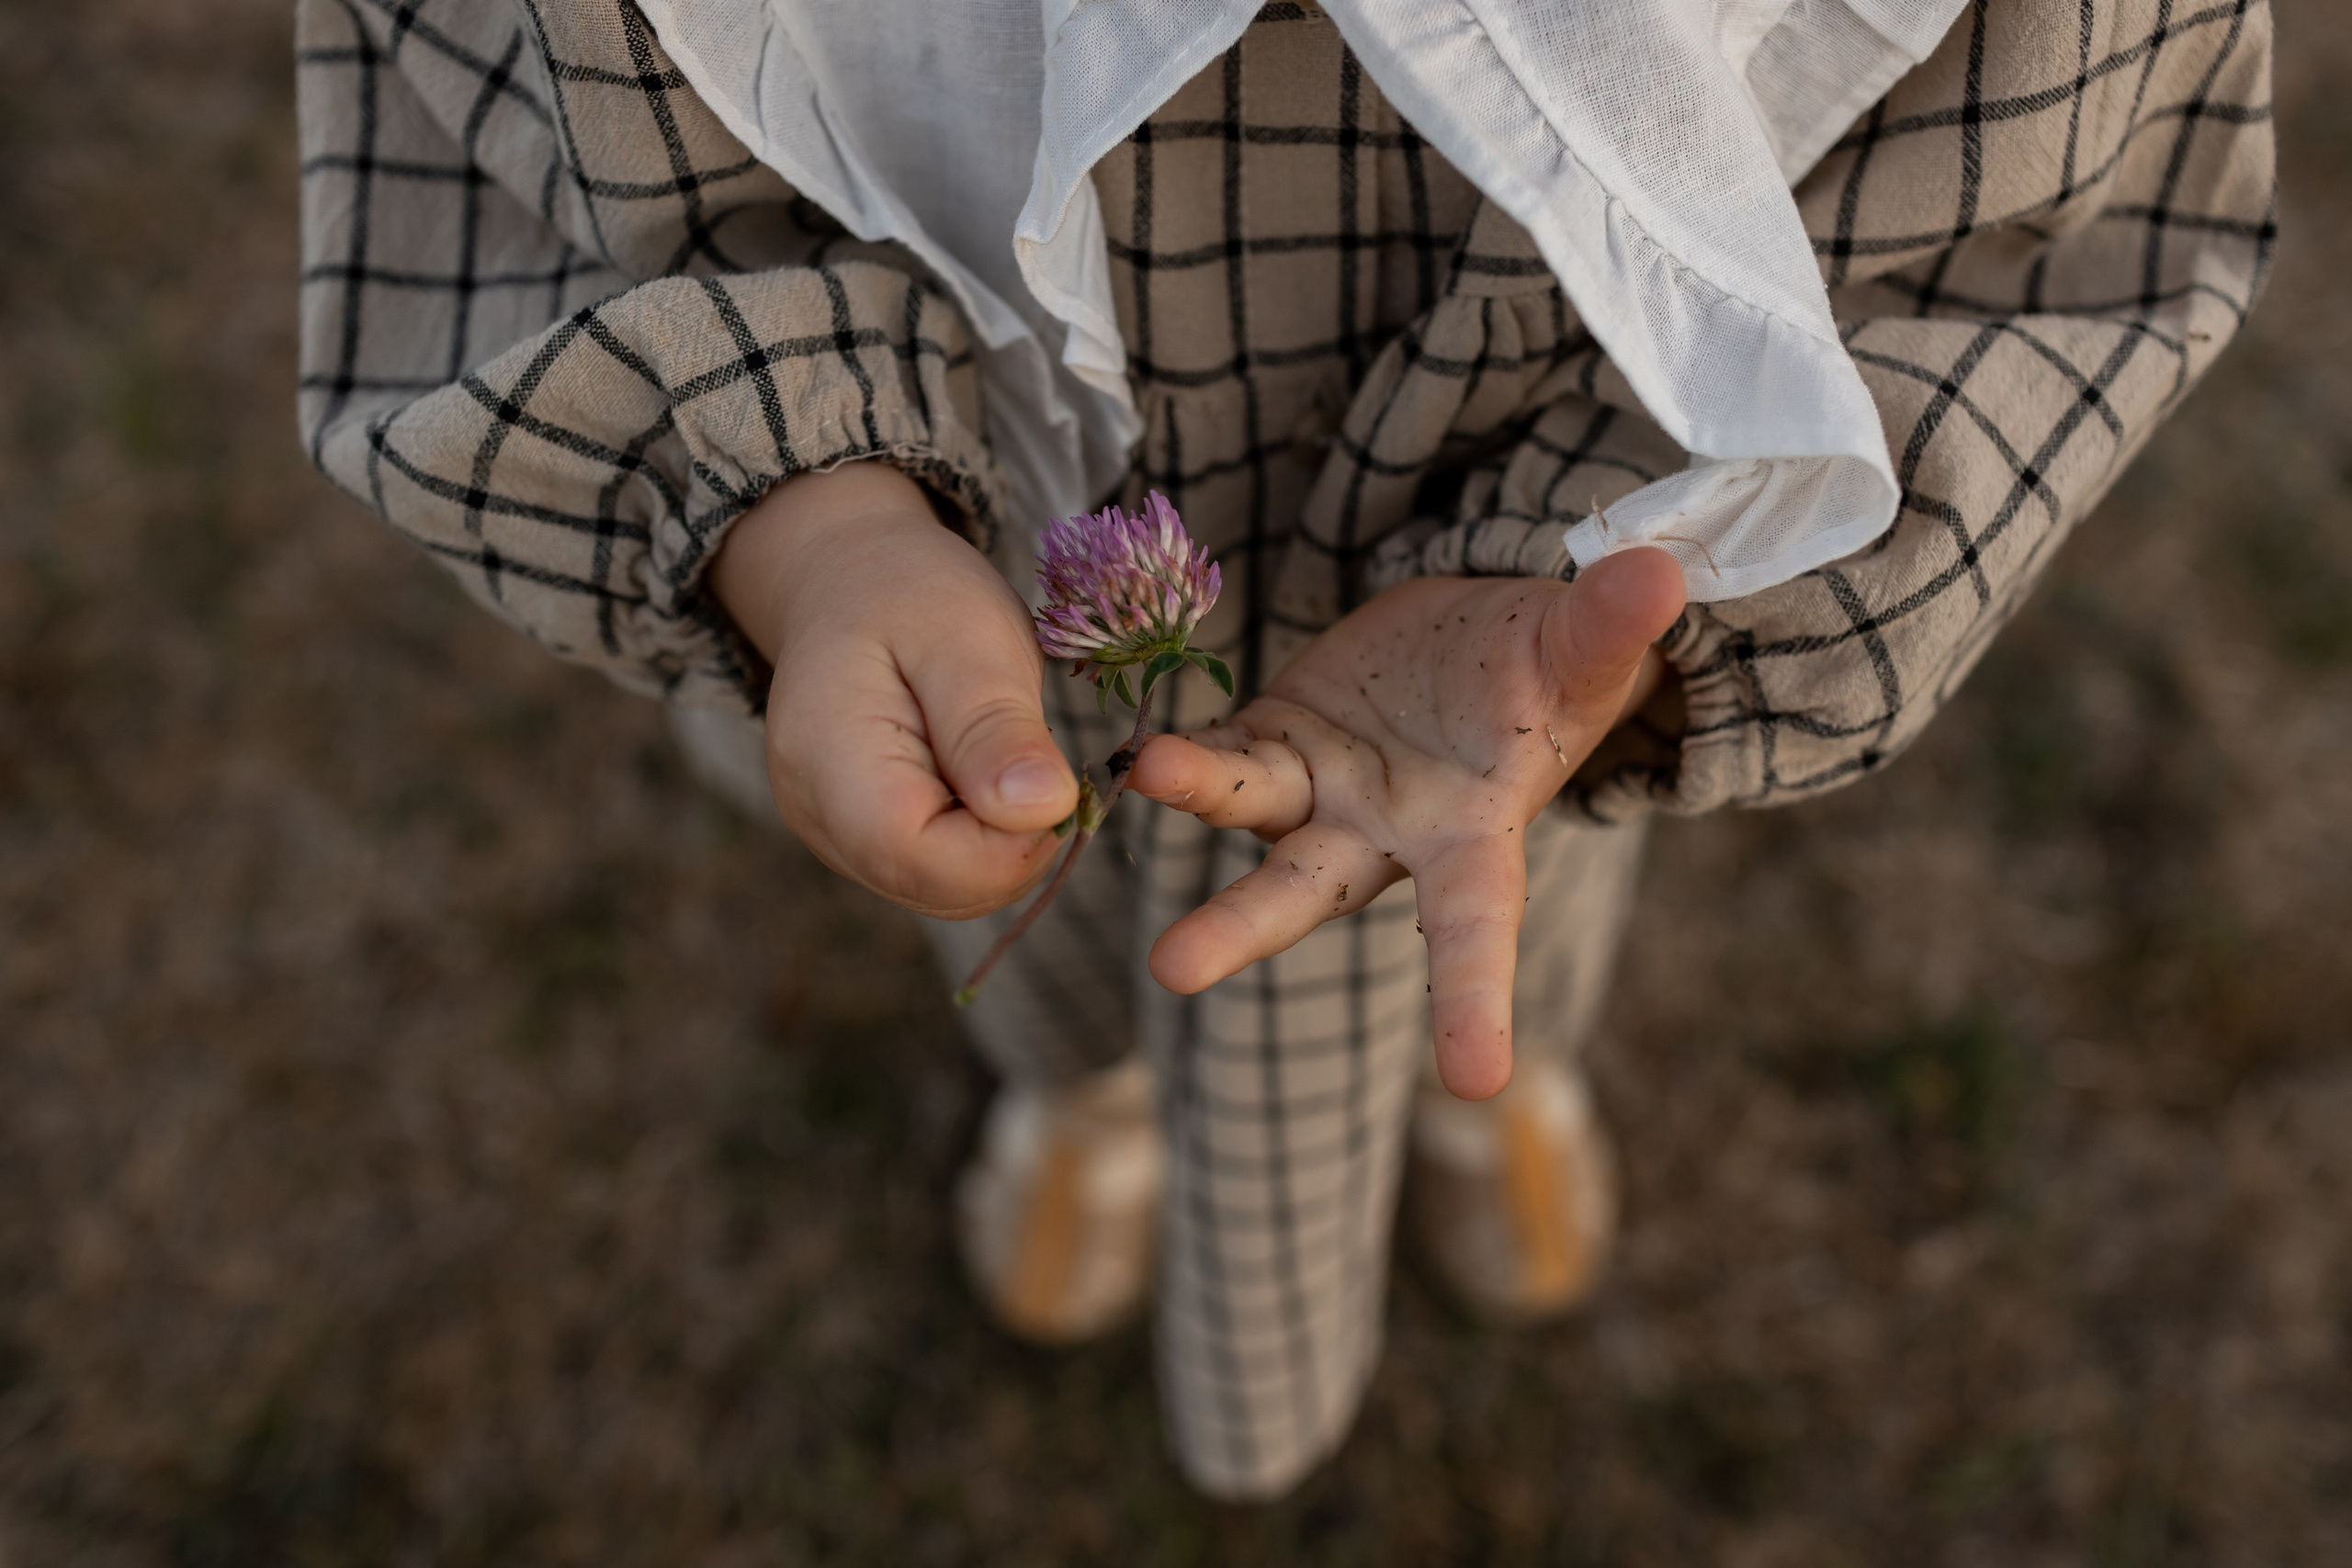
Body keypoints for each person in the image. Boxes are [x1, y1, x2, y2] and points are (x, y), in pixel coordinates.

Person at [295, 0, 2274, 1500]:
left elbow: (2053, 194)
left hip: (1533, 606)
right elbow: (523, 89)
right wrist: (810, 525)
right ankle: (1082, 1091)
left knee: (1511, 886)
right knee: (1009, 850)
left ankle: (1486, 1088)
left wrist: (1618, 598)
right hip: (975, 554)